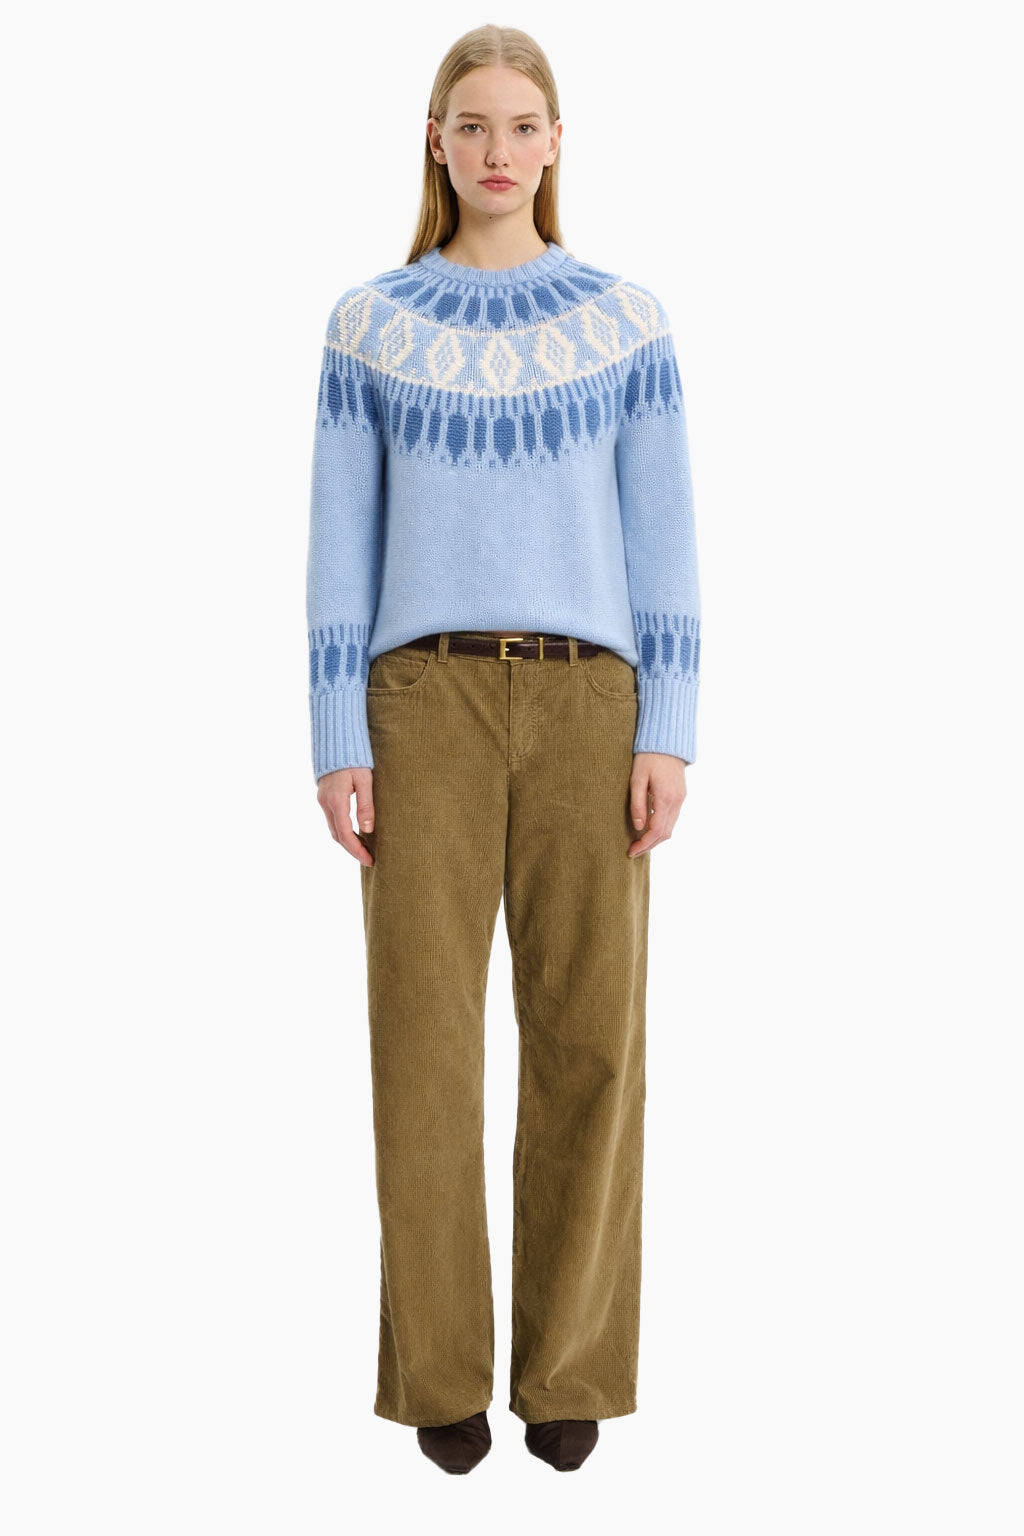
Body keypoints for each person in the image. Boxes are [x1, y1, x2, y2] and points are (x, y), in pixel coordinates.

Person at [306, 24, 702, 1476]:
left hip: (593, 703)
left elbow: (663, 534)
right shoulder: (369, 323)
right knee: (423, 1047)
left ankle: (570, 1368)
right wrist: (336, 733)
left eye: (521, 125)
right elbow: (340, 542)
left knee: (593, 1039)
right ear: (435, 140)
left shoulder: (626, 323)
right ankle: (439, 1376)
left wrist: (671, 727)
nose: (496, 150)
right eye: (470, 125)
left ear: (555, 142)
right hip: (422, 705)